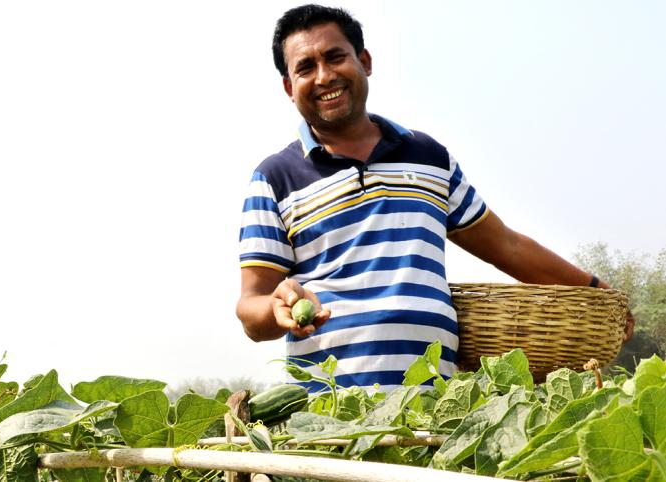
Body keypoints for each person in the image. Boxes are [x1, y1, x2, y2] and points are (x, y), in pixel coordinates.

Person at [236, 4, 633, 392]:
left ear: (365, 62)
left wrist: (597, 293)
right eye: (305, 68)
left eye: (335, 57)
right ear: (290, 87)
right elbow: (251, 308)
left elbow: (506, 245)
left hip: (434, 400)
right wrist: (276, 306)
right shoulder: (275, 177)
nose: (324, 76)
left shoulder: (428, 156)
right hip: (331, 408)